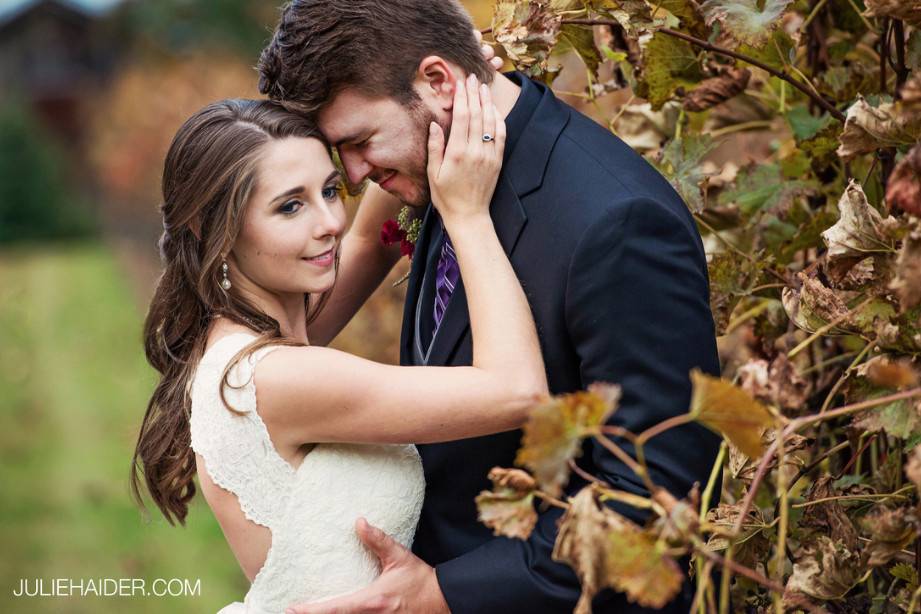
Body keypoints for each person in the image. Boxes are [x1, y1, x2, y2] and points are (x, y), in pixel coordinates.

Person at [257, 1, 722, 613]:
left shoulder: (618, 225)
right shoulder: (449, 157)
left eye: (361, 142)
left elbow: (652, 499)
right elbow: (370, 241)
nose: (354, 174)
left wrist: (441, 595)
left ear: (438, 82)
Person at [131, 73, 548, 613]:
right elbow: (516, 392)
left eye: (330, 190)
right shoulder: (277, 377)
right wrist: (467, 215)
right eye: (290, 207)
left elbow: (365, 240)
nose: (329, 220)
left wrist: (441, 86)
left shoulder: (245, 334)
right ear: (215, 230)